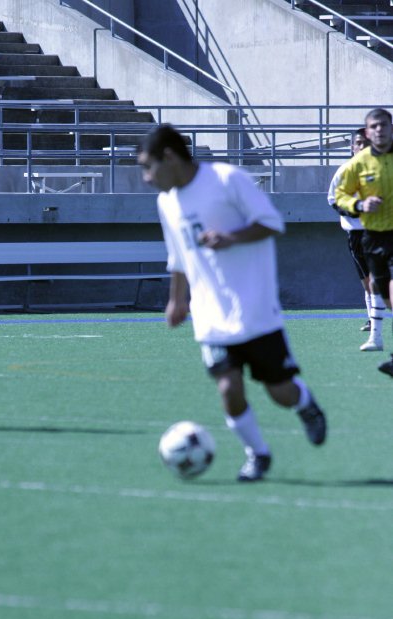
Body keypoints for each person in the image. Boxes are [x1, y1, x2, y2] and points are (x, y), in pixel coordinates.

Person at [138, 124, 327, 482]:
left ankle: (306, 405)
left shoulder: (227, 179)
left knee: (281, 393)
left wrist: (231, 237)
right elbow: (178, 255)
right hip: (210, 316)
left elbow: (272, 224)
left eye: (148, 167)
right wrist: (176, 300)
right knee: (228, 388)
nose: (146, 178)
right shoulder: (166, 202)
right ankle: (257, 454)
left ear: (169, 157)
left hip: (255, 309)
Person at [334, 108, 393, 377]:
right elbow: (339, 197)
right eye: (374, 126)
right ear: (367, 132)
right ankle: (376, 336)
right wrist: (359, 204)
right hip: (373, 235)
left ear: (391, 128)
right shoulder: (356, 165)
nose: (379, 130)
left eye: (384, 125)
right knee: (380, 288)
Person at [328, 128, 386, 351]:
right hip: (355, 234)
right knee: (367, 283)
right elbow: (333, 199)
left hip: (381, 232)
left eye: (366, 143)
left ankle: (376, 336)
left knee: (377, 281)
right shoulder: (345, 171)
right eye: (358, 143)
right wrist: (356, 210)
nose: (362, 147)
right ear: (352, 147)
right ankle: (373, 321)